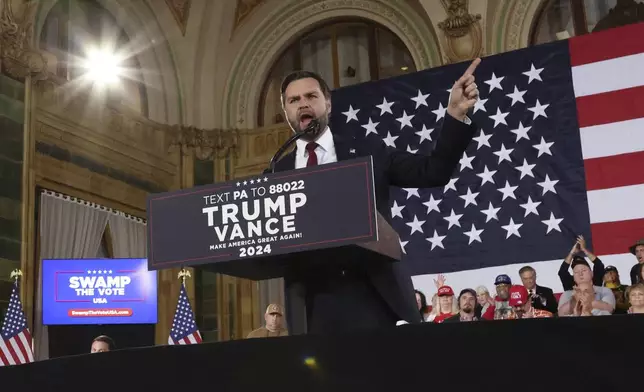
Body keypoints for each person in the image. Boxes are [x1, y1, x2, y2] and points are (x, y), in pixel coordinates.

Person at [270, 59, 481, 335]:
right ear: (286, 110)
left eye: (311, 96)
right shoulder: (276, 171)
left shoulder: (368, 152)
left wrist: (454, 115)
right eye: (294, 100)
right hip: (310, 306)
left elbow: (434, 171)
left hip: (374, 297)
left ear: (328, 104)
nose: (303, 104)